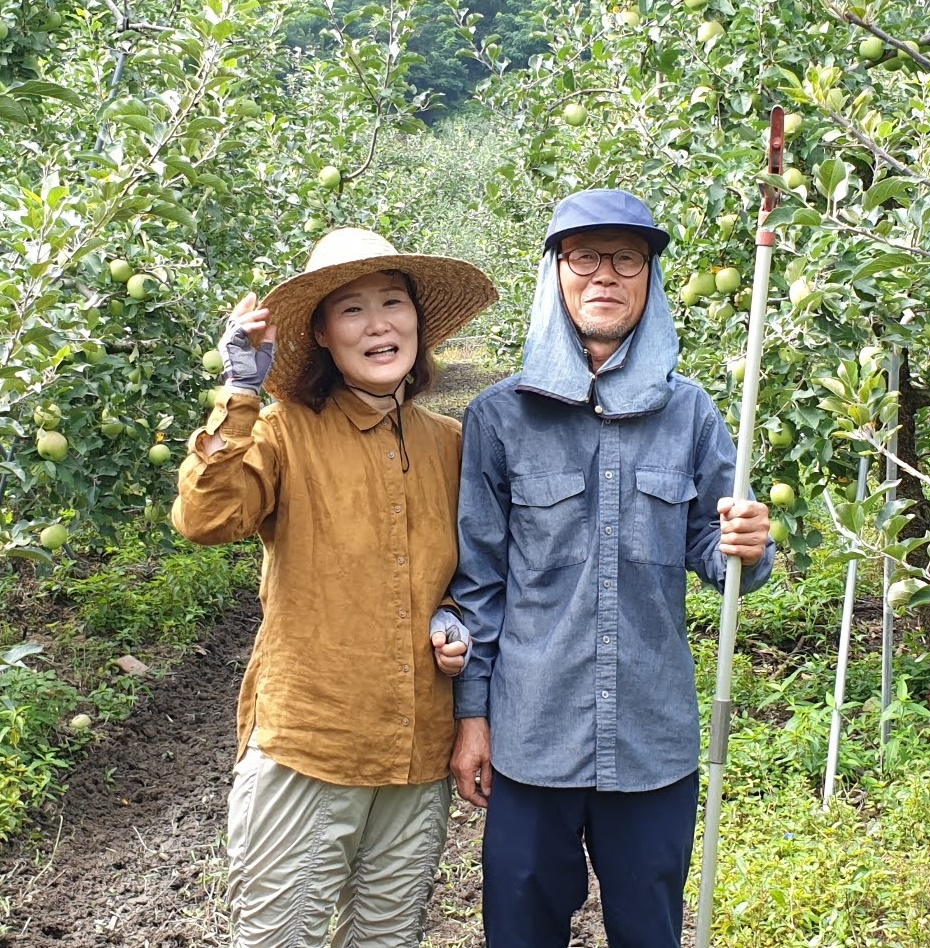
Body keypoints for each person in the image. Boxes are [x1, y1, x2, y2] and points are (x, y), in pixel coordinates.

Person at [448, 189, 775, 948]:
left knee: (649, 931)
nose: (604, 274)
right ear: (556, 273)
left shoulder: (690, 412)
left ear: (650, 278)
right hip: (533, 735)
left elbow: (718, 553)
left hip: (651, 739)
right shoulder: (499, 417)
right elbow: (479, 584)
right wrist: (472, 718)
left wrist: (747, 546)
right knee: (520, 931)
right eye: (584, 256)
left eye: (626, 259)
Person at [172, 226, 497, 948]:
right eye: (352, 309)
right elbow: (207, 519)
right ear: (320, 333)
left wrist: (450, 617)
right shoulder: (284, 432)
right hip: (311, 744)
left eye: (392, 302)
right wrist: (239, 394)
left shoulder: (449, 443)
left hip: (416, 749)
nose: (378, 324)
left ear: (418, 321)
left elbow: (465, 574)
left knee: (386, 938)